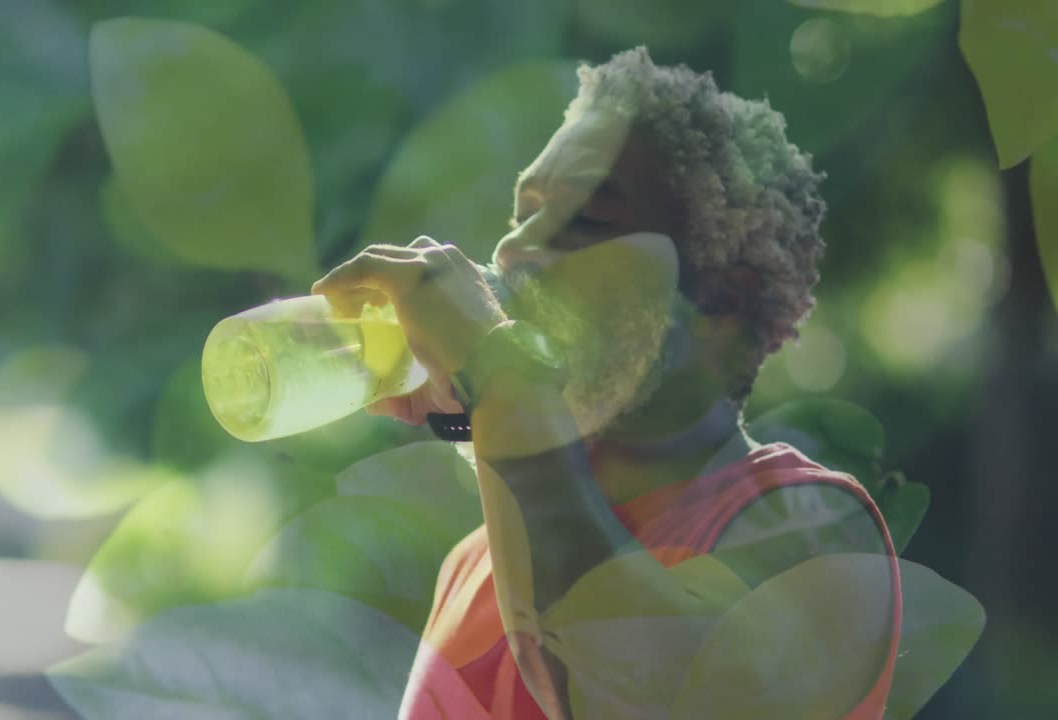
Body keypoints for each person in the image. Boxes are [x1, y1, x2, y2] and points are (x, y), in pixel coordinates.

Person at [312, 48, 900, 720]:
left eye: (588, 220)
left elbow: (626, 692)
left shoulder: (818, 534)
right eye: (521, 215)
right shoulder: (475, 562)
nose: (513, 251)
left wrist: (497, 374)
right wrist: (480, 410)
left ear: (718, 308)